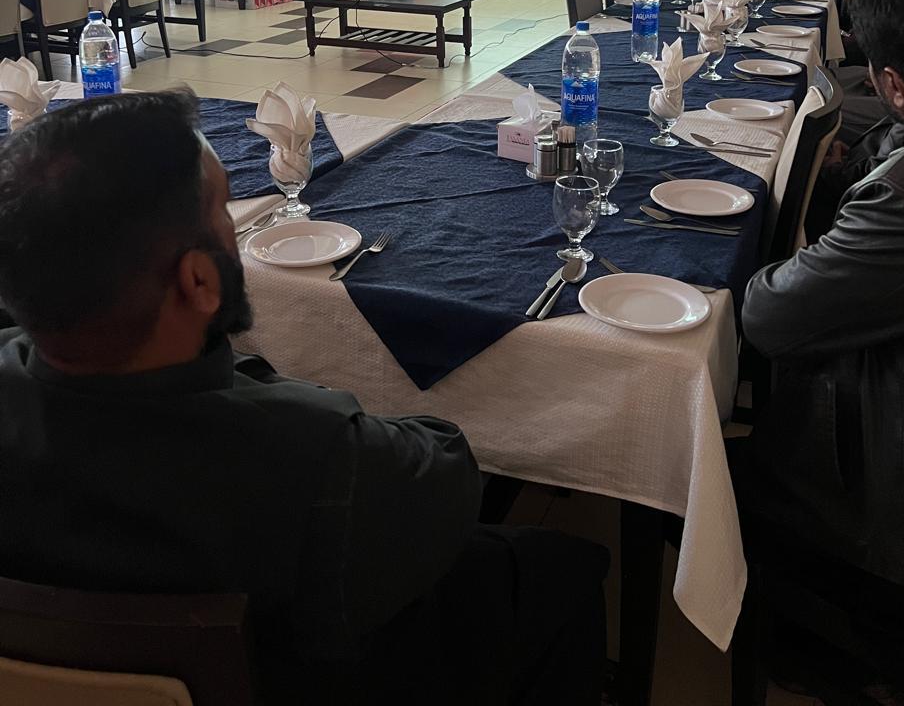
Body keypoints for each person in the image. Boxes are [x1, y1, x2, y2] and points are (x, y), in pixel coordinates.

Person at [0, 92, 608, 706]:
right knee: (561, 567)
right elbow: (448, 475)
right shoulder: (325, 459)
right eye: (225, 212)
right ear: (199, 280)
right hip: (312, 671)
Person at [734, 0, 904, 703]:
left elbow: (770, 317)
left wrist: (790, 248)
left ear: (892, 83)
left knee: (703, 484)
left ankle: (846, 655)